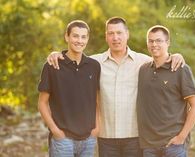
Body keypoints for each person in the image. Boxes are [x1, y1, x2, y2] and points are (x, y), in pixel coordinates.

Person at [46, 17, 185, 157]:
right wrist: (56, 54)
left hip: (134, 136)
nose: (115, 37)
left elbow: (163, 60)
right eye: (111, 33)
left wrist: (175, 56)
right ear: (106, 36)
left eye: (119, 33)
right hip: (106, 137)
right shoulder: (94, 63)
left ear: (127, 34)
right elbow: (73, 59)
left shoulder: (144, 62)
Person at [38, 20, 101, 157]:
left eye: (83, 37)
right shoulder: (52, 66)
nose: (79, 40)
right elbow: (42, 103)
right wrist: (55, 131)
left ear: (87, 39)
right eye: (75, 36)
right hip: (63, 139)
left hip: (88, 138)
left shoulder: (94, 66)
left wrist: (96, 127)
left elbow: (97, 99)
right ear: (67, 37)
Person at [137, 25, 195, 157]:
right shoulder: (143, 70)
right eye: (150, 40)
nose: (154, 44)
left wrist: (181, 137)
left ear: (168, 43)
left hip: (173, 144)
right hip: (148, 145)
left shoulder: (180, 69)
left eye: (159, 40)